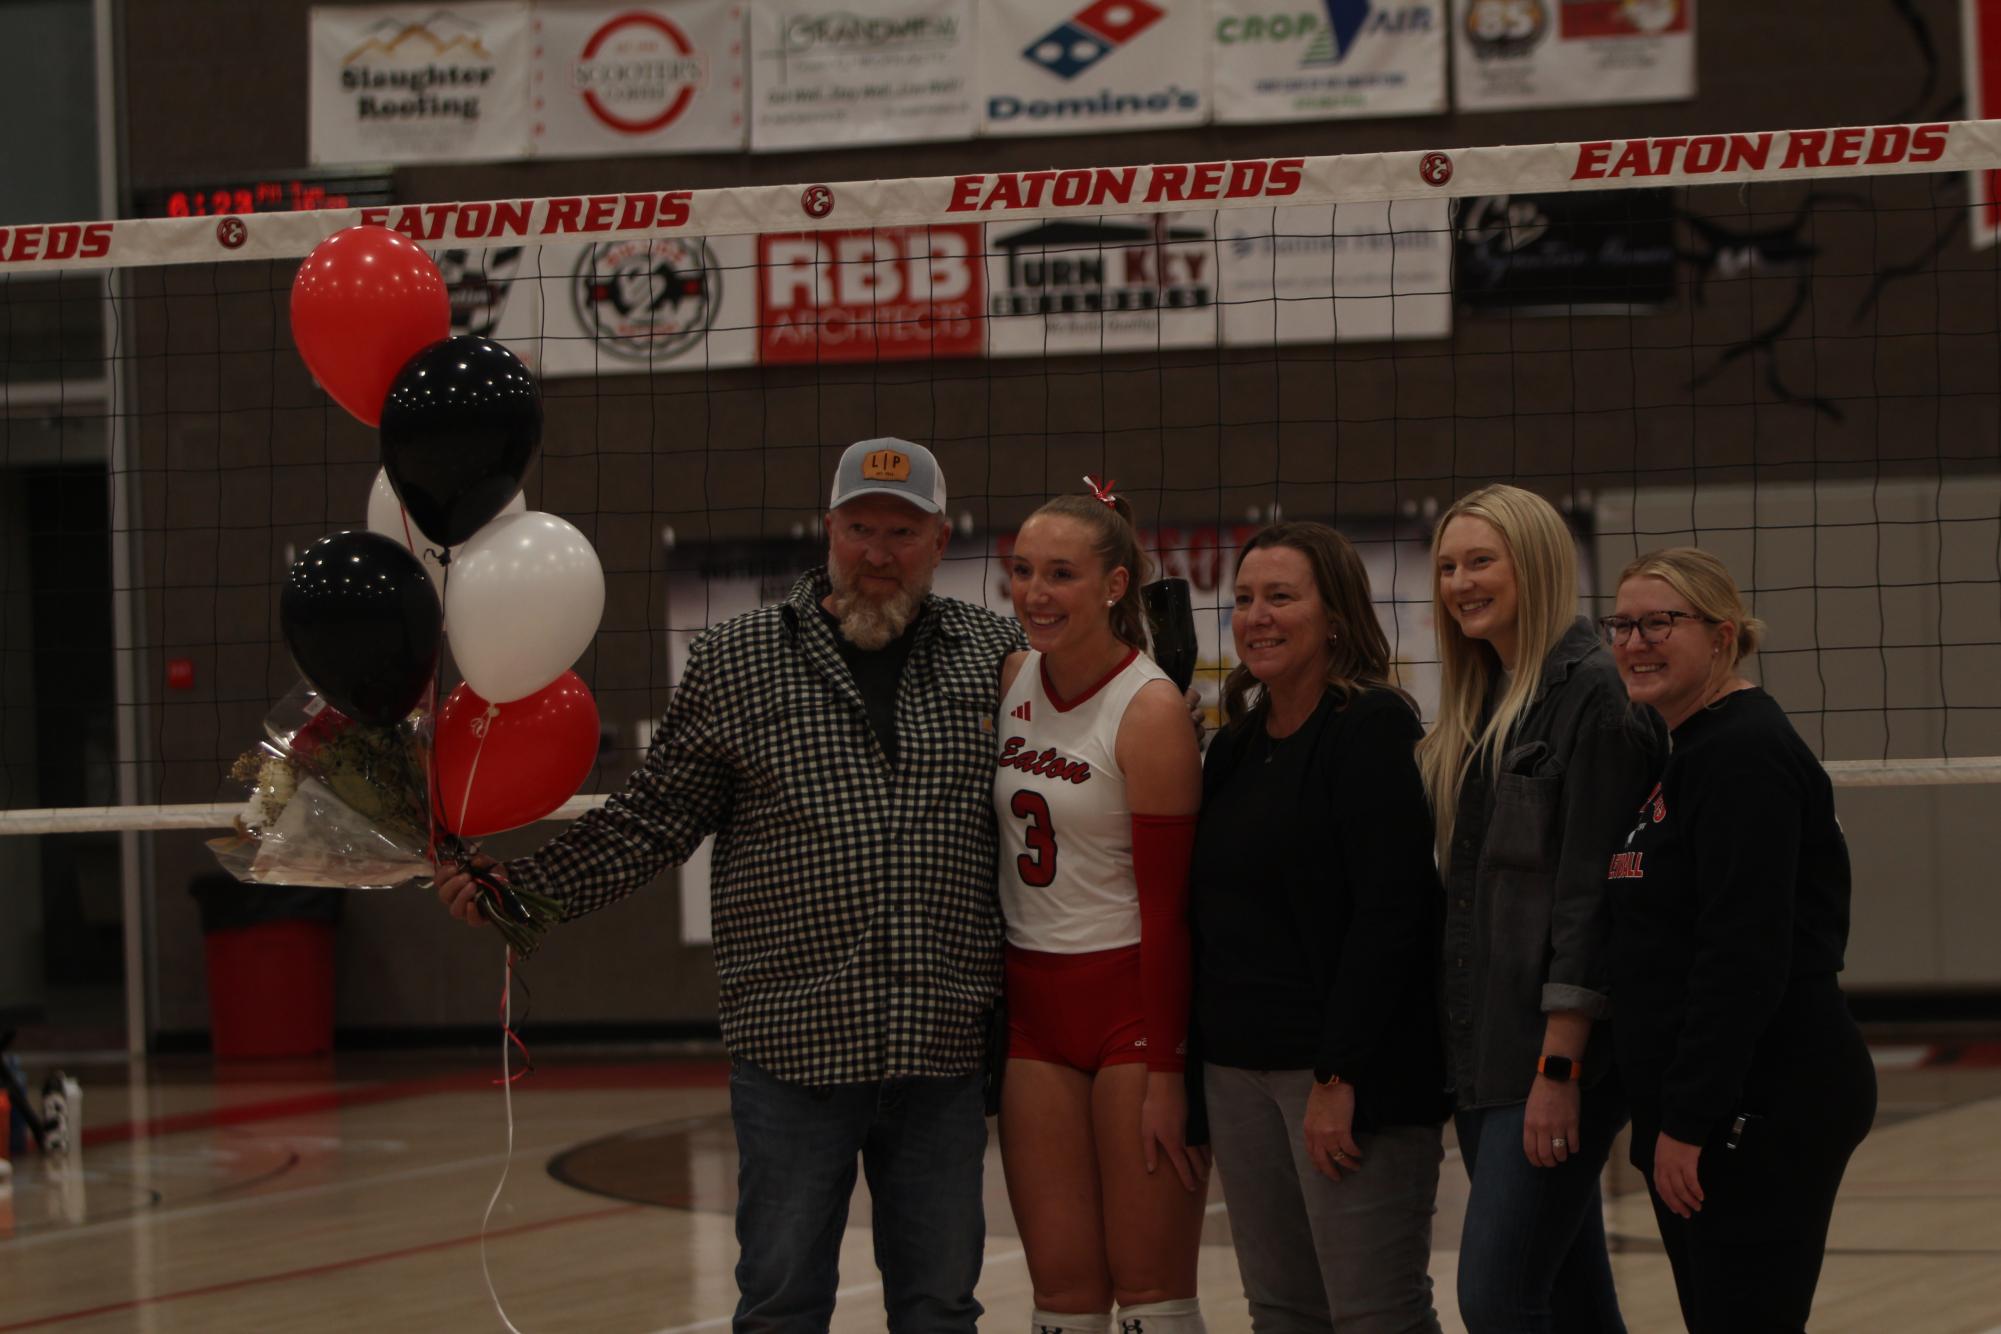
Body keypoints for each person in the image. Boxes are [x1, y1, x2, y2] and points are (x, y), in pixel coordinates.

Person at [437, 437, 1026, 1333]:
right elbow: (653, 816)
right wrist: (525, 890)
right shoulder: (736, 658)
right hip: (792, 1043)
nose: (876, 551)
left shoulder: (997, 654)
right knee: (782, 1300)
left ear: (941, 541)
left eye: (901, 532)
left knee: (941, 1304)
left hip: (940, 1043)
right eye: (859, 527)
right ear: (826, 529)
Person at [1602, 548, 1876, 1334]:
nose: (1634, 641)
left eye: (1660, 622)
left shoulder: (1740, 753)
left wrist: (1689, 1120)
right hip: (1718, 1096)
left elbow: (1743, 955)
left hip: (1761, 1096)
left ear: (1722, 635)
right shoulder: (1687, 749)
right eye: (1621, 623)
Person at [1413, 484, 1664, 1334]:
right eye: (1447, 565)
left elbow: (1590, 903)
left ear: (1538, 564)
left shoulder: (1594, 696)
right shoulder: (1484, 691)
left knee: (1496, 1298)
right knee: (1569, 1298)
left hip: (1549, 1064)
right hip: (1483, 1053)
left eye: (1480, 561)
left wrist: (1558, 1073)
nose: (1458, 582)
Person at [1189, 522, 1448, 1334]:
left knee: (1374, 1315)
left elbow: (1392, 915)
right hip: (1237, 1072)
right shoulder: (1233, 747)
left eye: (1280, 597)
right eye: (1243, 600)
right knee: (1281, 1313)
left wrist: (1339, 1078)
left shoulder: (1372, 727)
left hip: (1343, 1076)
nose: (1256, 616)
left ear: (1333, 613)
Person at [992, 484, 1208, 1334]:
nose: (1035, 594)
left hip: (1131, 1009)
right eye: (1021, 572)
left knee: (1150, 1291)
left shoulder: (1150, 711)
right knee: (1063, 1293)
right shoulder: (1010, 677)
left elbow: (1170, 912)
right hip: (1032, 1016)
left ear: (1115, 586)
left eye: (1060, 575)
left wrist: (1166, 1073)